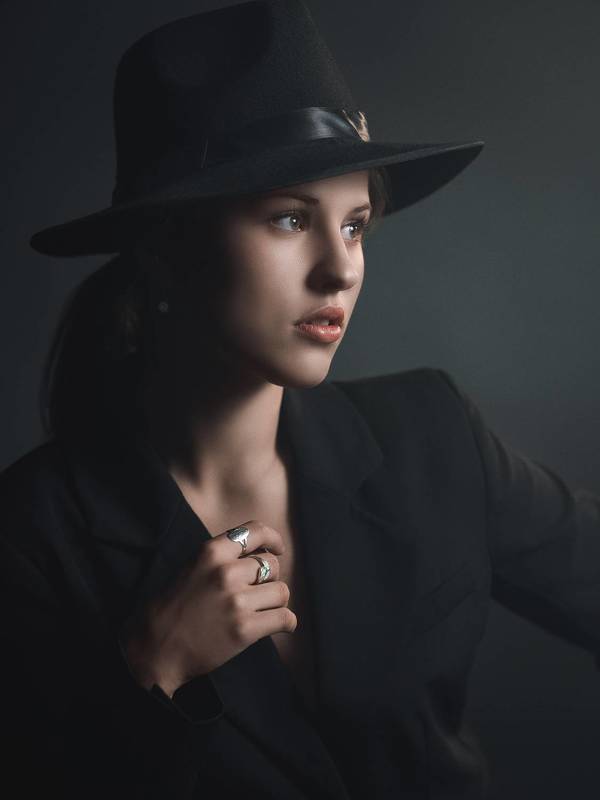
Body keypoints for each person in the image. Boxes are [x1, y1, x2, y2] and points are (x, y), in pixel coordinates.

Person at [2, 1, 599, 798]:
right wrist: (153, 670)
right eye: (289, 219)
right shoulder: (35, 534)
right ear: (165, 245)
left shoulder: (432, 434)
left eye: (354, 226)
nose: (341, 269)